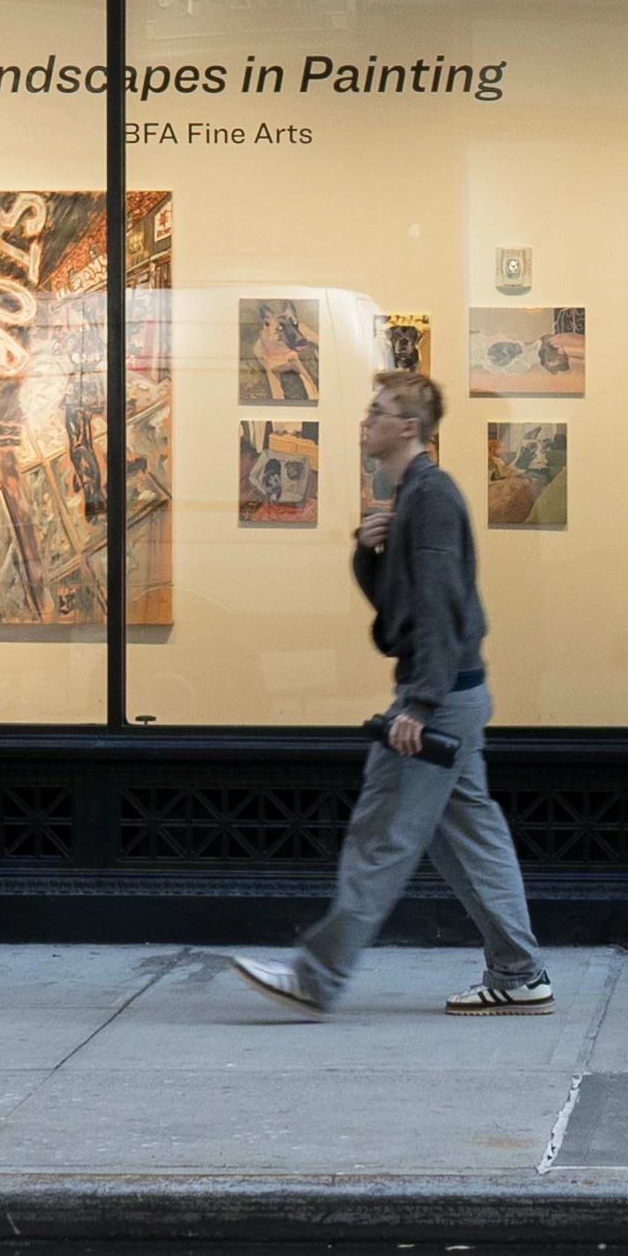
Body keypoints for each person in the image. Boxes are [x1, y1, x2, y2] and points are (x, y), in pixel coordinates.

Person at [230, 368, 556, 1017]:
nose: (365, 421)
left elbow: (438, 606)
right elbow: (398, 609)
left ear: (408, 427)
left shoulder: (429, 496)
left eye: (377, 411)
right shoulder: (410, 496)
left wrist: (419, 703)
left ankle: (317, 976)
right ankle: (518, 973)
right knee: (470, 838)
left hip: (439, 696)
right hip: (452, 692)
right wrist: (366, 552)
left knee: (382, 836)